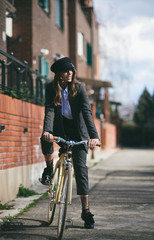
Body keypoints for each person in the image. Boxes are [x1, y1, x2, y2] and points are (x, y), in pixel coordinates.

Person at [40, 57, 99, 229]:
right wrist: (48, 131)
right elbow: (49, 110)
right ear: (58, 74)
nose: (70, 73)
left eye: (71, 70)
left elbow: (87, 113)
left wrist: (93, 136)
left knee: (81, 169)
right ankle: (49, 167)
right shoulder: (50, 89)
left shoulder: (79, 89)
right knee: (43, 137)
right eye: (66, 71)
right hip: (61, 130)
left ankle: (86, 211)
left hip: (78, 132)